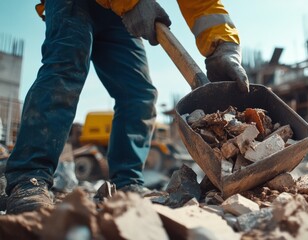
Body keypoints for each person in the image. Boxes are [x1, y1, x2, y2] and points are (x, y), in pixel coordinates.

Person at [5, 0, 249, 214]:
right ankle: (29, 178)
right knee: (64, 72)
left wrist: (223, 46)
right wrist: (132, 3)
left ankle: (126, 183)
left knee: (139, 93)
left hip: (117, 14)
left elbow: (203, 3)